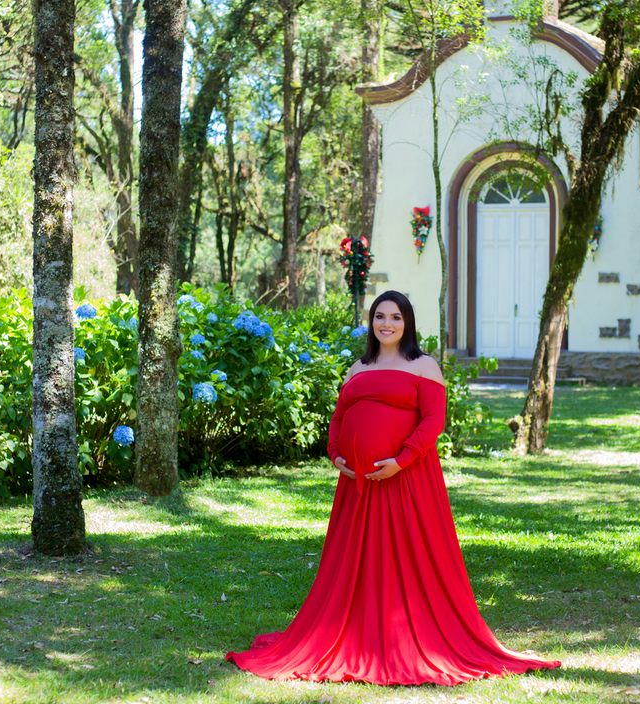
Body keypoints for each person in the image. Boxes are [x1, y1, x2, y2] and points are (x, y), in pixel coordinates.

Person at [226, 290, 560, 685]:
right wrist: (337, 456)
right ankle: (355, 629)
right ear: (372, 323)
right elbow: (339, 418)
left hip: (408, 478)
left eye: (396, 317)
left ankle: (406, 632)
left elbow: (434, 420)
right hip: (358, 486)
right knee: (358, 558)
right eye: (380, 316)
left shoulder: (423, 365)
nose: (387, 324)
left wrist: (400, 461)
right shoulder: (357, 367)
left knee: (409, 554)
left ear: (408, 323)